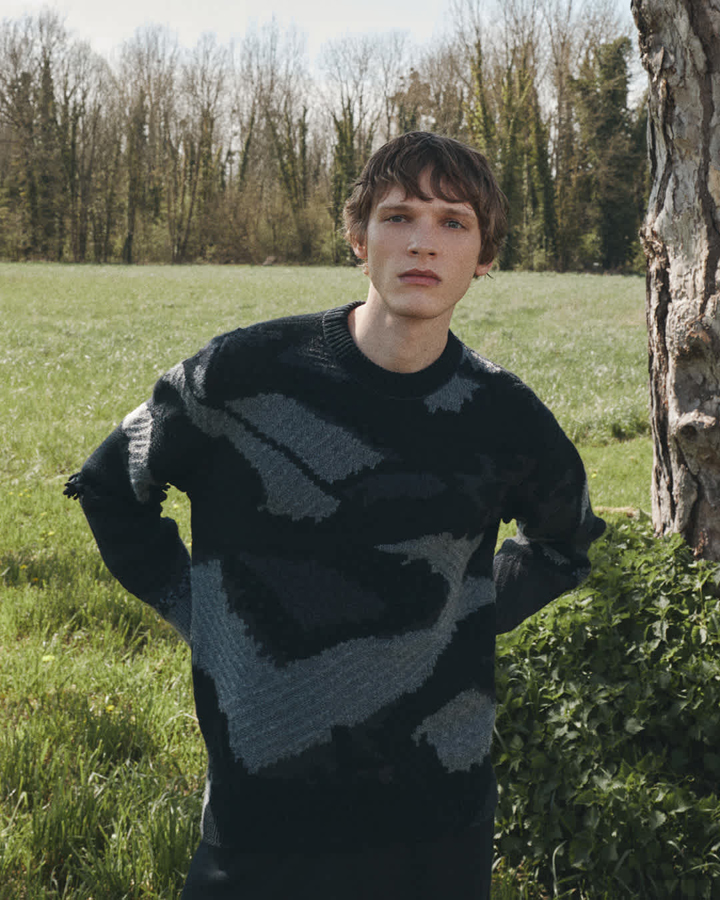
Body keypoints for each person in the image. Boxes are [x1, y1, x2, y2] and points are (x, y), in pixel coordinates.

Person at [65, 131, 605, 899]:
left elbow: (564, 543)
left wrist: (465, 613)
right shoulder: (240, 377)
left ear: (484, 257)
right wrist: (201, 610)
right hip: (263, 811)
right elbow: (109, 486)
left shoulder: (504, 416)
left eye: (453, 222)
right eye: (398, 216)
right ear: (359, 237)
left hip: (436, 821)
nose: (423, 242)